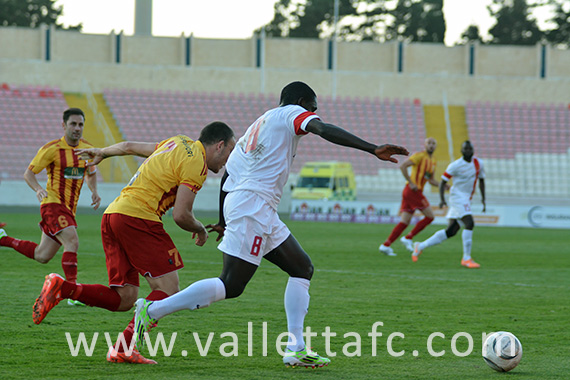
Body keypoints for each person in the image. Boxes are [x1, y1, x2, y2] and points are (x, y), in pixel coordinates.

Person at [132, 81, 409, 368]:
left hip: (255, 207)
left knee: (302, 268)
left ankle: (296, 348)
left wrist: (225, 221)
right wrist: (372, 148)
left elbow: (229, 176)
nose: (314, 113)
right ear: (301, 101)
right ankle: (152, 311)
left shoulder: (258, 125)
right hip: (254, 206)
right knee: (232, 284)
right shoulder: (291, 113)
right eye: (312, 108)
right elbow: (324, 129)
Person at [32, 122, 236, 365]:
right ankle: (125, 346)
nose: (228, 161)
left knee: (124, 298)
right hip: (139, 218)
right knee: (169, 288)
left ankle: (62, 288)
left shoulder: (178, 141)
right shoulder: (197, 164)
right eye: (230, 152)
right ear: (219, 146)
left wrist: (103, 152)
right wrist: (200, 229)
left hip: (113, 215)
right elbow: (182, 215)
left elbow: (129, 146)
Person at [0, 108, 100, 295]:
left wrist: (94, 191)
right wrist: (38, 188)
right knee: (72, 241)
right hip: (52, 204)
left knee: (42, 255)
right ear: (64, 125)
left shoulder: (87, 150)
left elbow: (91, 173)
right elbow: (29, 173)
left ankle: (3, 238)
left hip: (69, 209)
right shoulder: (52, 149)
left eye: (80, 124)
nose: (77, 128)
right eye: (73, 124)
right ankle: (72, 291)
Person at [412, 140, 486, 269]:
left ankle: (420, 246)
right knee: (470, 223)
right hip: (457, 196)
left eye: (470, 149)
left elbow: (481, 180)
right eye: (465, 149)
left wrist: (483, 199)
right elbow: (442, 182)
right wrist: (442, 199)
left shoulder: (478, 163)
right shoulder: (455, 165)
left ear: (473, 150)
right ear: (461, 151)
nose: (468, 151)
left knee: (451, 231)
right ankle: (466, 258)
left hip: (467, 198)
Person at [379, 137, 440, 256]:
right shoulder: (419, 156)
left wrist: (443, 185)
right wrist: (411, 182)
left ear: (436, 146)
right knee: (430, 217)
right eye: (429, 143)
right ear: (425, 144)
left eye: (433, 143)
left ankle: (386, 245)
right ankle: (408, 237)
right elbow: (403, 166)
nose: (431, 145)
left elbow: (431, 180)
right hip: (413, 191)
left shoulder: (433, 161)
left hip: (412, 192)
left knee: (405, 221)